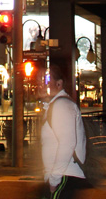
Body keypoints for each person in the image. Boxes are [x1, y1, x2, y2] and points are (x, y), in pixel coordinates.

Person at [41, 66, 88, 196]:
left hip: (64, 177)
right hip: (63, 176)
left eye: (46, 79)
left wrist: (54, 180)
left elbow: (67, 143)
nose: (43, 84)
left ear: (59, 83)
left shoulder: (61, 106)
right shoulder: (56, 105)